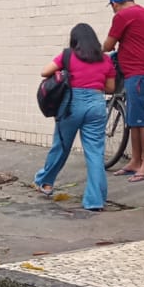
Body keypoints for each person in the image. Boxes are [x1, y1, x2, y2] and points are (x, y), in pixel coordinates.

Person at [33, 23, 116, 211]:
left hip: (71, 104)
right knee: (95, 153)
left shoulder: (68, 55)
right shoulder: (105, 60)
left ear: (74, 40)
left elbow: (44, 72)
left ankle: (45, 182)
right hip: (96, 104)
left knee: (61, 146)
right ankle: (95, 201)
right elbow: (110, 88)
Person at [102, 0, 144, 181]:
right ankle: (135, 161)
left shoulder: (122, 16)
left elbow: (108, 45)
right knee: (135, 120)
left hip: (140, 74)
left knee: (143, 121)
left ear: (114, 4)